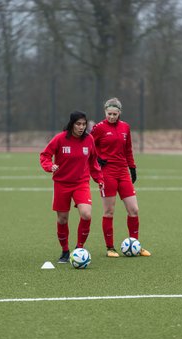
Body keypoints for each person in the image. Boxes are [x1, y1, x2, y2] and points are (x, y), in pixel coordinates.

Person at [40, 110, 104, 263]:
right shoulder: (60, 138)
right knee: (62, 219)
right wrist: (50, 166)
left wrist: (99, 179)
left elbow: (93, 161)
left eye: (83, 124)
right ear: (72, 124)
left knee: (86, 214)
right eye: (78, 124)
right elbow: (45, 155)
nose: (81, 127)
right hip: (61, 184)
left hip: (81, 183)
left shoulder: (89, 140)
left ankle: (79, 248)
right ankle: (64, 251)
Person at [91, 97, 151, 258]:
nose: (111, 116)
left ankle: (135, 245)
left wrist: (132, 167)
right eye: (109, 113)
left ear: (119, 113)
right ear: (105, 112)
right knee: (109, 211)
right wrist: (96, 159)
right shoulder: (98, 128)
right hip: (107, 173)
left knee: (134, 209)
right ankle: (110, 248)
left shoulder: (125, 127)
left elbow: (128, 149)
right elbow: (88, 147)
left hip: (123, 172)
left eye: (114, 114)